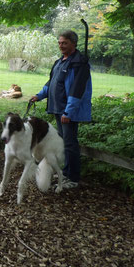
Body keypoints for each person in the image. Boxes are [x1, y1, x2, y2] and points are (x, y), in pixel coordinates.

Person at [30, 30, 92, 189]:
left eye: (64, 43)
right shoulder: (60, 62)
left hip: (67, 112)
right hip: (58, 109)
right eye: (59, 42)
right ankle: (65, 172)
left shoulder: (79, 63)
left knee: (70, 143)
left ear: (73, 43)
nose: (61, 45)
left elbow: (77, 90)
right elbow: (52, 83)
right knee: (65, 142)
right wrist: (39, 96)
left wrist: (68, 112)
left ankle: (73, 178)